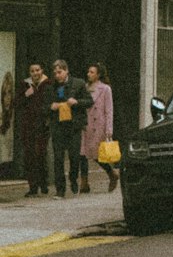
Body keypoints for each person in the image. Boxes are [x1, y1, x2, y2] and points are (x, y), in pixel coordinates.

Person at [49, 59, 92, 199]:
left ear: (66, 71)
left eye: (60, 72)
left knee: (74, 157)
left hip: (73, 126)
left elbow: (90, 101)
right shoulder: (51, 86)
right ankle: (60, 190)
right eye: (55, 73)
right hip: (58, 126)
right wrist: (51, 106)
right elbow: (44, 105)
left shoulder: (78, 83)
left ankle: (73, 178)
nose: (57, 75)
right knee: (58, 158)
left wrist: (77, 102)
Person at [80, 63, 116, 194]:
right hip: (85, 123)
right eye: (88, 72)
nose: (89, 74)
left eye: (92, 72)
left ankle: (111, 173)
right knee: (82, 153)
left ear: (98, 74)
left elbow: (109, 110)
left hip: (98, 125)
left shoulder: (105, 89)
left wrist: (109, 129)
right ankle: (84, 183)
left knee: (97, 155)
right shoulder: (84, 87)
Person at [16, 64, 51, 197]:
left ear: (42, 71)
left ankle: (43, 183)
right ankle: (33, 187)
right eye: (32, 71)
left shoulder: (48, 84)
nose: (35, 73)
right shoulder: (24, 85)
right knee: (30, 155)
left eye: (37, 70)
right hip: (28, 126)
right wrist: (26, 95)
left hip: (43, 125)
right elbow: (16, 103)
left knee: (41, 154)